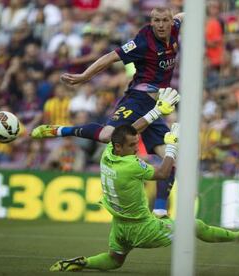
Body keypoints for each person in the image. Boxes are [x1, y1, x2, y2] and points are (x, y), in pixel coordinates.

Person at [48, 123, 239, 272]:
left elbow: (130, 131)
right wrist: (172, 146)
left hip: (120, 225)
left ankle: (81, 263)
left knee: (115, 260)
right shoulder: (131, 165)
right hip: (142, 228)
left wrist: (155, 113)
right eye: (132, 146)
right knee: (195, 225)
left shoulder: (107, 155)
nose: (137, 149)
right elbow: (164, 172)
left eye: (137, 144)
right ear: (118, 146)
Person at [32, 7, 185, 217]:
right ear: (151, 21)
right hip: (137, 100)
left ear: (170, 22)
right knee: (107, 136)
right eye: (156, 20)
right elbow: (110, 57)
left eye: (164, 20)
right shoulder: (143, 41)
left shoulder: (175, 28)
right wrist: (85, 75)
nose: (160, 25)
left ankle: (160, 211)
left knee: (170, 159)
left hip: (156, 107)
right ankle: (61, 130)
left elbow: (181, 17)